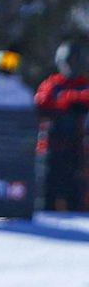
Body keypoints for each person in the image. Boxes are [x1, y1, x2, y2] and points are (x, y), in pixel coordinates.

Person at [35, 41, 89, 211]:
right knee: (47, 193)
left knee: (77, 193)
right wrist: (66, 102)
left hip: (80, 150)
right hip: (53, 148)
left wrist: (74, 100)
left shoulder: (85, 84)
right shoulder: (52, 84)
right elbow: (41, 104)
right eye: (68, 61)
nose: (71, 66)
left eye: (75, 61)